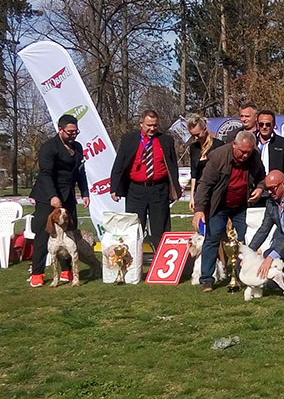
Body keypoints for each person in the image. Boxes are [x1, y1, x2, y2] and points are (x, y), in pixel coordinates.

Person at [192, 131, 266, 292]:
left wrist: (260, 188)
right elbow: (204, 184)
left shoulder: (254, 156)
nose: (245, 155)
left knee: (244, 239)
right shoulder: (218, 156)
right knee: (212, 238)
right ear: (234, 145)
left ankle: (242, 275)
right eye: (242, 152)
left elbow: (262, 177)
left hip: (241, 205)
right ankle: (207, 279)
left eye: (248, 152)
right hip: (219, 205)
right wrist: (199, 209)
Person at [29, 114, 90, 288]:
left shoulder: (78, 147)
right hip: (47, 194)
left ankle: (66, 271)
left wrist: (84, 192)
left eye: (76, 131)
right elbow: (46, 174)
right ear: (60, 130)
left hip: (68, 194)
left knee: (69, 232)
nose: (73, 135)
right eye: (70, 132)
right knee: (44, 232)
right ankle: (37, 274)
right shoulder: (49, 148)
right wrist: (52, 196)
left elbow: (80, 172)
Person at [110, 110, 183, 252]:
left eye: (155, 125)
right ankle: (132, 263)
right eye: (149, 125)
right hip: (135, 190)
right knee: (134, 230)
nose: (152, 128)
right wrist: (114, 188)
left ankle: (161, 260)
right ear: (141, 124)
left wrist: (174, 189)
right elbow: (119, 164)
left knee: (160, 229)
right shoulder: (129, 140)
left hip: (159, 189)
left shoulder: (166, 141)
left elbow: (173, 166)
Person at [186, 114, 225, 211]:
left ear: (205, 129)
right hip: (200, 192)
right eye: (193, 135)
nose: (195, 138)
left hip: (216, 191)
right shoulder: (193, 148)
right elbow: (194, 174)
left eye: (197, 134)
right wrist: (192, 196)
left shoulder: (218, 145)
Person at [255, 110, 284, 189]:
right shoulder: (251, 141)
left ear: (273, 125)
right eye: (261, 124)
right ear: (257, 125)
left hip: (274, 189)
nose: (264, 127)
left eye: (268, 124)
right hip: (254, 189)